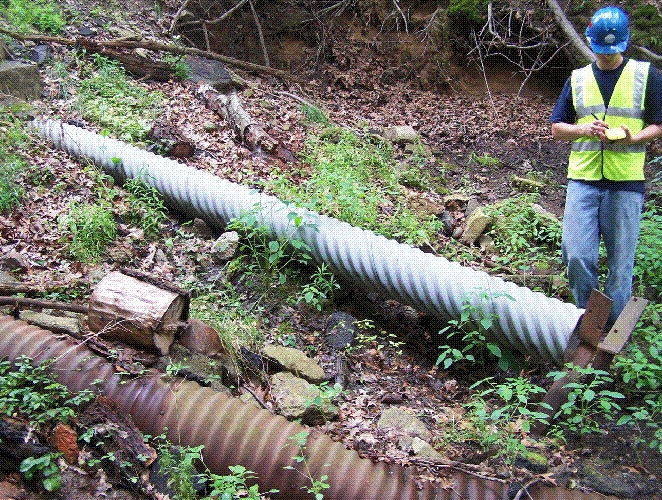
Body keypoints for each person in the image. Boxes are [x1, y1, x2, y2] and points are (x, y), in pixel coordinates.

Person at [550, 6, 662, 327]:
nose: (608, 57)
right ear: (592, 45)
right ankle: (588, 323)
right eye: (602, 52)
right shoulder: (579, 79)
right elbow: (557, 127)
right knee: (576, 254)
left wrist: (632, 138)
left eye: (613, 52)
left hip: (625, 183)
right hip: (583, 180)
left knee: (620, 263)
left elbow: (659, 122)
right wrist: (584, 129)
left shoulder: (645, 76)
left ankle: (611, 331)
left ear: (625, 44)